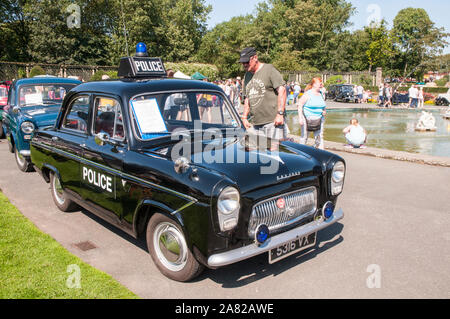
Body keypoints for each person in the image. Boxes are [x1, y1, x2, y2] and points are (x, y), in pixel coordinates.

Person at [239, 47, 287, 141]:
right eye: (242, 63)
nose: (244, 65)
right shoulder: (247, 75)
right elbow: (247, 98)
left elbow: (282, 90)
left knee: (273, 153)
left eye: (246, 62)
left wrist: (280, 114)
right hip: (255, 123)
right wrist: (244, 117)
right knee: (253, 153)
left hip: (272, 123)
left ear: (255, 58)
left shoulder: (269, 69)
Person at [297, 77, 327, 150]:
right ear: (313, 84)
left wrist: (324, 111)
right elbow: (299, 104)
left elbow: (323, 105)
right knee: (304, 136)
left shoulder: (321, 93)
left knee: (319, 136)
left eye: (321, 82)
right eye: (318, 83)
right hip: (307, 118)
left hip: (319, 118)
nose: (321, 84)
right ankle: (301, 151)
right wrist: (300, 118)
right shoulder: (308, 94)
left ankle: (320, 152)